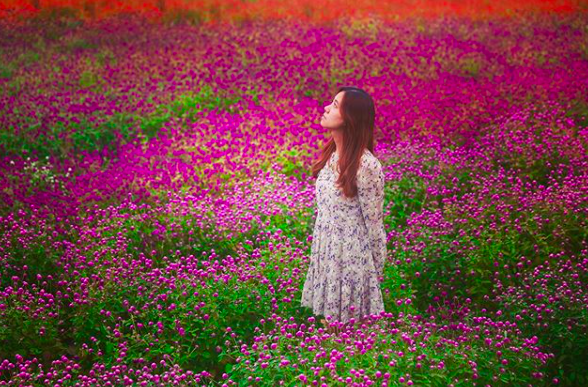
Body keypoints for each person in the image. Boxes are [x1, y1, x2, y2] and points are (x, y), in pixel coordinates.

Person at [301, 86, 387, 335]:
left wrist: (373, 280)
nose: (326, 107)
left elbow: (374, 224)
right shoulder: (332, 155)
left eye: (336, 105)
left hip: (351, 262)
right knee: (330, 334)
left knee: (349, 338)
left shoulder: (367, 164)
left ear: (350, 118)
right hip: (328, 254)